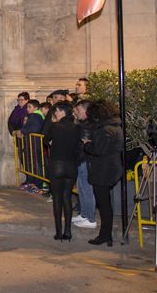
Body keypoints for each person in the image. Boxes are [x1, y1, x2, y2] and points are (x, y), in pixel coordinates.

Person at [83, 100, 124, 246]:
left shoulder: (105, 129)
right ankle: (106, 235)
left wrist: (87, 144)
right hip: (110, 167)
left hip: (103, 170)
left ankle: (105, 235)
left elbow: (98, 150)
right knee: (105, 203)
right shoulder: (114, 126)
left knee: (104, 204)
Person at [45, 102, 80, 241]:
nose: (55, 115)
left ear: (62, 112)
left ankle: (58, 232)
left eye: (56, 112)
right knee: (67, 197)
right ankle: (68, 232)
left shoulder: (56, 126)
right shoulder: (77, 127)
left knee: (57, 198)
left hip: (57, 165)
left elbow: (45, 139)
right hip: (71, 165)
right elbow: (80, 147)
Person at [72, 100, 97, 229]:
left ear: (86, 110)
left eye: (79, 110)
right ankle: (84, 214)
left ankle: (91, 218)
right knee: (82, 189)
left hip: (84, 160)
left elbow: (83, 144)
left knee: (87, 189)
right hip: (81, 160)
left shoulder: (87, 125)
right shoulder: (83, 124)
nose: (76, 112)